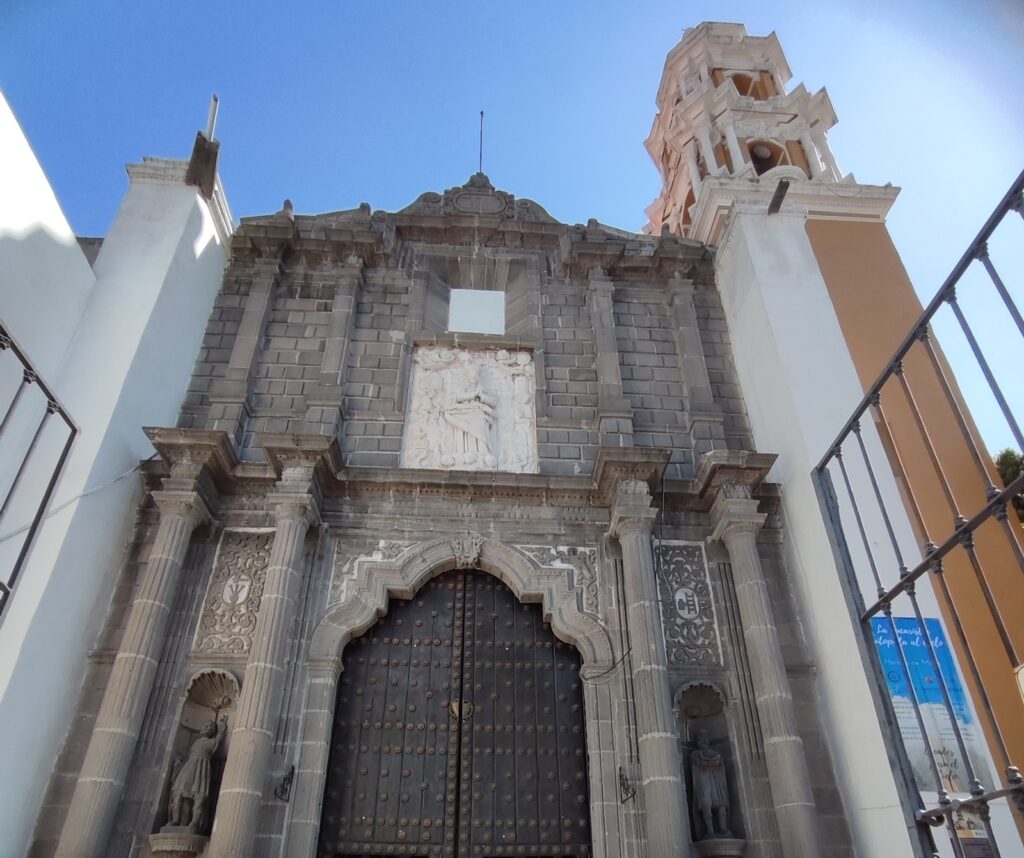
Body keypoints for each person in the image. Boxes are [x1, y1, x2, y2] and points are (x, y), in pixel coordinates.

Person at [167, 715, 228, 831]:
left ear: (213, 731)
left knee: (199, 794)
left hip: (202, 768)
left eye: (210, 727)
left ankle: (194, 822)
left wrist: (223, 725)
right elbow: (187, 755)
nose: (207, 728)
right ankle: (176, 820)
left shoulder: (212, 742)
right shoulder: (195, 743)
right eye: (206, 725)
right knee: (178, 793)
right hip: (189, 768)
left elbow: (220, 737)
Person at [691, 728, 731, 839]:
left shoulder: (716, 753)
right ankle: (710, 831)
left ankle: (723, 828)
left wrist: (711, 761)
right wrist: (711, 761)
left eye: (705, 738)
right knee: (706, 805)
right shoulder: (695, 754)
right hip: (703, 783)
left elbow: (718, 760)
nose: (703, 740)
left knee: (721, 805)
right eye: (700, 738)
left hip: (717, 783)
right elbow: (702, 760)